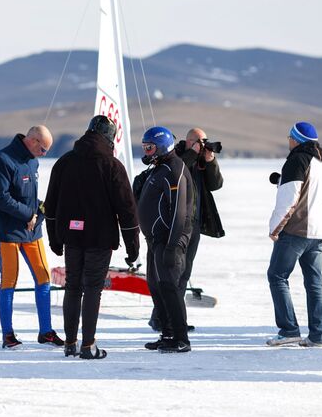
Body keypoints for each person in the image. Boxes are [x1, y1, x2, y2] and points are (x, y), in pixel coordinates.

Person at [43, 116, 140, 359]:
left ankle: (70, 343)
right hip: (99, 238)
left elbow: (51, 205)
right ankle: (88, 345)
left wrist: (55, 238)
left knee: (73, 287)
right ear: (109, 137)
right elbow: (127, 209)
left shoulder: (64, 162)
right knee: (92, 289)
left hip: (71, 237)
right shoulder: (112, 165)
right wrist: (133, 245)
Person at [0, 125, 63, 349]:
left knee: (43, 277)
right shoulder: (2, 160)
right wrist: (28, 213)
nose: (44, 154)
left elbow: (29, 196)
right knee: (9, 280)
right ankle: (8, 334)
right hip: (7, 230)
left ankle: (46, 332)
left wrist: (40, 211)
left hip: (31, 230)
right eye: (44, 149)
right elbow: (0, 198)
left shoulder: (33, 161)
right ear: (34, 141)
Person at [147, 127, 224, 330]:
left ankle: (175, 320)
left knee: (184, 273)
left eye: (205, 140)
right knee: (171, 275)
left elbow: (216, 184)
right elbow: (180, 168)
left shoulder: (200, 160)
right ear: (189, 141)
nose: (203, 144)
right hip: (174, 224)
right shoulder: (177, 155)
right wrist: (193, 153)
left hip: (194, 225)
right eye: (199, 141)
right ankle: (163, 320)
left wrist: (210, 161)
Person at [266, 122, 322, 347]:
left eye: (289, 137)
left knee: (277, 276)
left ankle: (288, 330)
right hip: (319, 231)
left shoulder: (297, 160)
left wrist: (275, 228)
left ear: (296, 139)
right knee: (314, 281)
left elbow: (289, 199)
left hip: (296, 230)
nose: (288, 140)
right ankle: (318, 334)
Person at [137, 126, 194, 353]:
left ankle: (181, 339)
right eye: (144, 148)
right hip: (155, 240)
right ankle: (167, 333)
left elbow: (179, 212)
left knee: (169, 287)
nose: (147, 152)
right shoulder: (159, 168)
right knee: (156, 285)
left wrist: (171, 246)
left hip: (169, 239)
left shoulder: (174, 169)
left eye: (149, 148)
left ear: (161, 147)